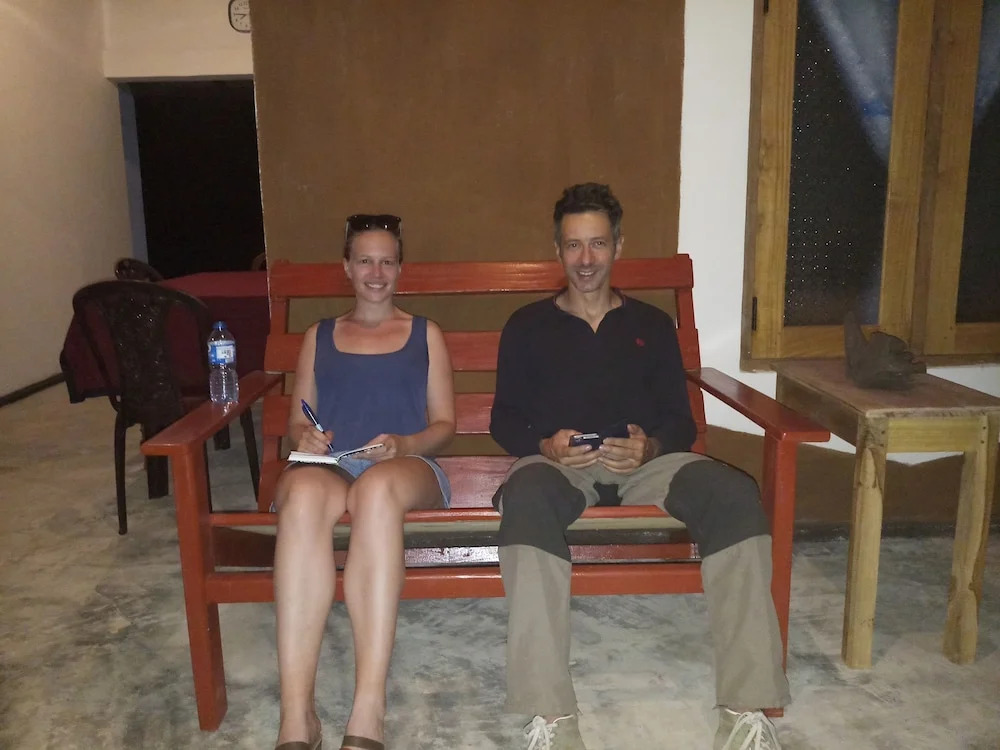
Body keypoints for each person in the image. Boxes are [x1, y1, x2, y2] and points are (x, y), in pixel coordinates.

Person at [489, 184, 789, 750]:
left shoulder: (650, 324)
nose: (585, 259)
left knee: (732, 495)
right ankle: (550, 715)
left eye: (597, 243)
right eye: (573, 245)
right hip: (561, 468)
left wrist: (650, 448)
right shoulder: (526, 326)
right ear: (557, 250)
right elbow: (504, 420)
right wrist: (546, 445)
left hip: (646, 465)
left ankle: (744, 709)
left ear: (618, 246)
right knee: (525, 499)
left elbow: (680, 422)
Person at [273, 214, 455, 750]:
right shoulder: (319, 336)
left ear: (400, 268)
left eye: (387, 261)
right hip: (332, 466)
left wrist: (405, 444)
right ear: (347, 267)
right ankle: (296, 716)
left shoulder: (425, 334)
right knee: (301, 495)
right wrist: (306, 437)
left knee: (375, 490)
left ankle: (368, 709)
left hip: (405, 467)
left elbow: (445, 425)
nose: (376, 272)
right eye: (365, 261)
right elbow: (297, 420)